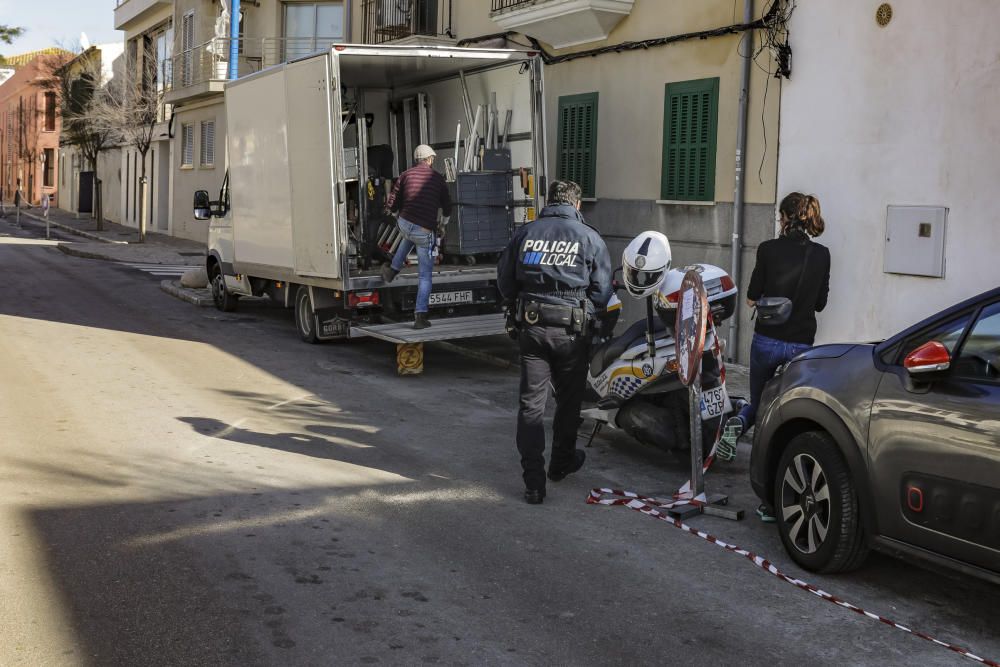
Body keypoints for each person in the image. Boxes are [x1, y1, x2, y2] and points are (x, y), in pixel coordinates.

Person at [497, 180, 612, 505]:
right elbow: (602, 292)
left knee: (531, 407)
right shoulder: (589, 236)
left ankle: (534, 483)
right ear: (577, 205)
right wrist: (584, 311)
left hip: (532, 329)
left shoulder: (526, 232)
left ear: (548, 202)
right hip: (572, 333)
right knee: (568, 403)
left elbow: (505, 281)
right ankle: (560, 465)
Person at [718, 192, 831, 521]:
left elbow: (752, 298)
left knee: (759, 401)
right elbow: (820, 303)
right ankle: (772, 504)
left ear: (785, 217)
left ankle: (739, 422)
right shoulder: (822, 255)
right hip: (801, 345)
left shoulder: (767, 249)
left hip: (768, 341)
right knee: (785, 418)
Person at [381, 144, 452, 329]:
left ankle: (392, 270)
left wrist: (397, 215)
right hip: (424, 231)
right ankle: (420, 317)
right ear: (429, 160)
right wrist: (443, 225)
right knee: (425, 277)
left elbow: (393, 201)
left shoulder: (405, 175)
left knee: (409, 235)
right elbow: (447, 206)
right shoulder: (436, 178)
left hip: (405, 224)